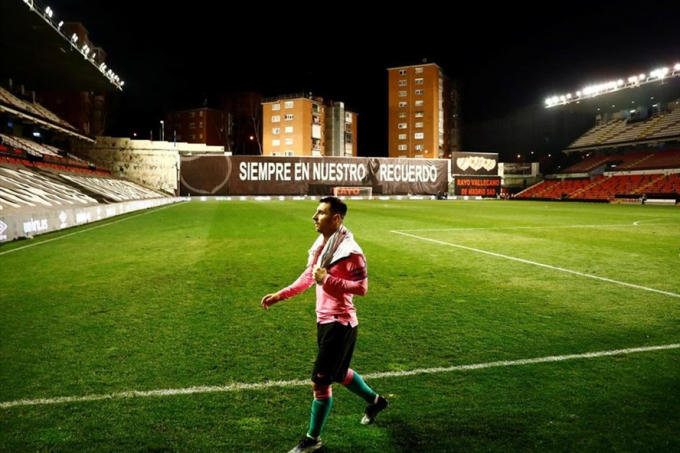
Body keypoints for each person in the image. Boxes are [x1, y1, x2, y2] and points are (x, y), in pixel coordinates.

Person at [261, 196, 388, 453]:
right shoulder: (323, 245)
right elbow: (309, 277)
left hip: (340, 323)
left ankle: (313, 439)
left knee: (320, 383)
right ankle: (376, 402)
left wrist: (328, 279)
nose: (314, 216)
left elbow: (362, 288)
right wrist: (280, 295)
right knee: (339, 374)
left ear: (336, 219)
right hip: (325, 320)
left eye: (320, 212)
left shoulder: (351, 252)